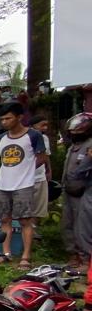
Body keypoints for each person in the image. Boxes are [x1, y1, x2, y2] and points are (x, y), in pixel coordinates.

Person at [0, 101, 47, 268]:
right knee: (4, 219)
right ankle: (6, 253)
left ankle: (25, 256)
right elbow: (2, 159)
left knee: (25, 220)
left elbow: (42, 157)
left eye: (8, 118)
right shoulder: (1, 138)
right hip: (2, 184)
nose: (4, 122)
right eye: (2, 119)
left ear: (19, 117)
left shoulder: (33, 136)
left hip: (23, 184)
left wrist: (27, 170)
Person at [63, 112, 92, 268]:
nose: (74, 135)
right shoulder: (73, 147)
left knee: (83, 227)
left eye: (77, 132)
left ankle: (85, 259)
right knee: (67, 224)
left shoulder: (90, 146)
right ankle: (73, 254)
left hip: (84, 192)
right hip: (69, 190)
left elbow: (82, 170)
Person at [28, 115, 53, 232]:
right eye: (42, 125)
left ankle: (34, 231)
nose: (45, 128)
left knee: (38, 207)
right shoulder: (26, 137)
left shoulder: (45, 138)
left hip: (40, 176)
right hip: (26, 177)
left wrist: (49, 170)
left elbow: (46, 156)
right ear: (33, 125)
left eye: (46, 125)